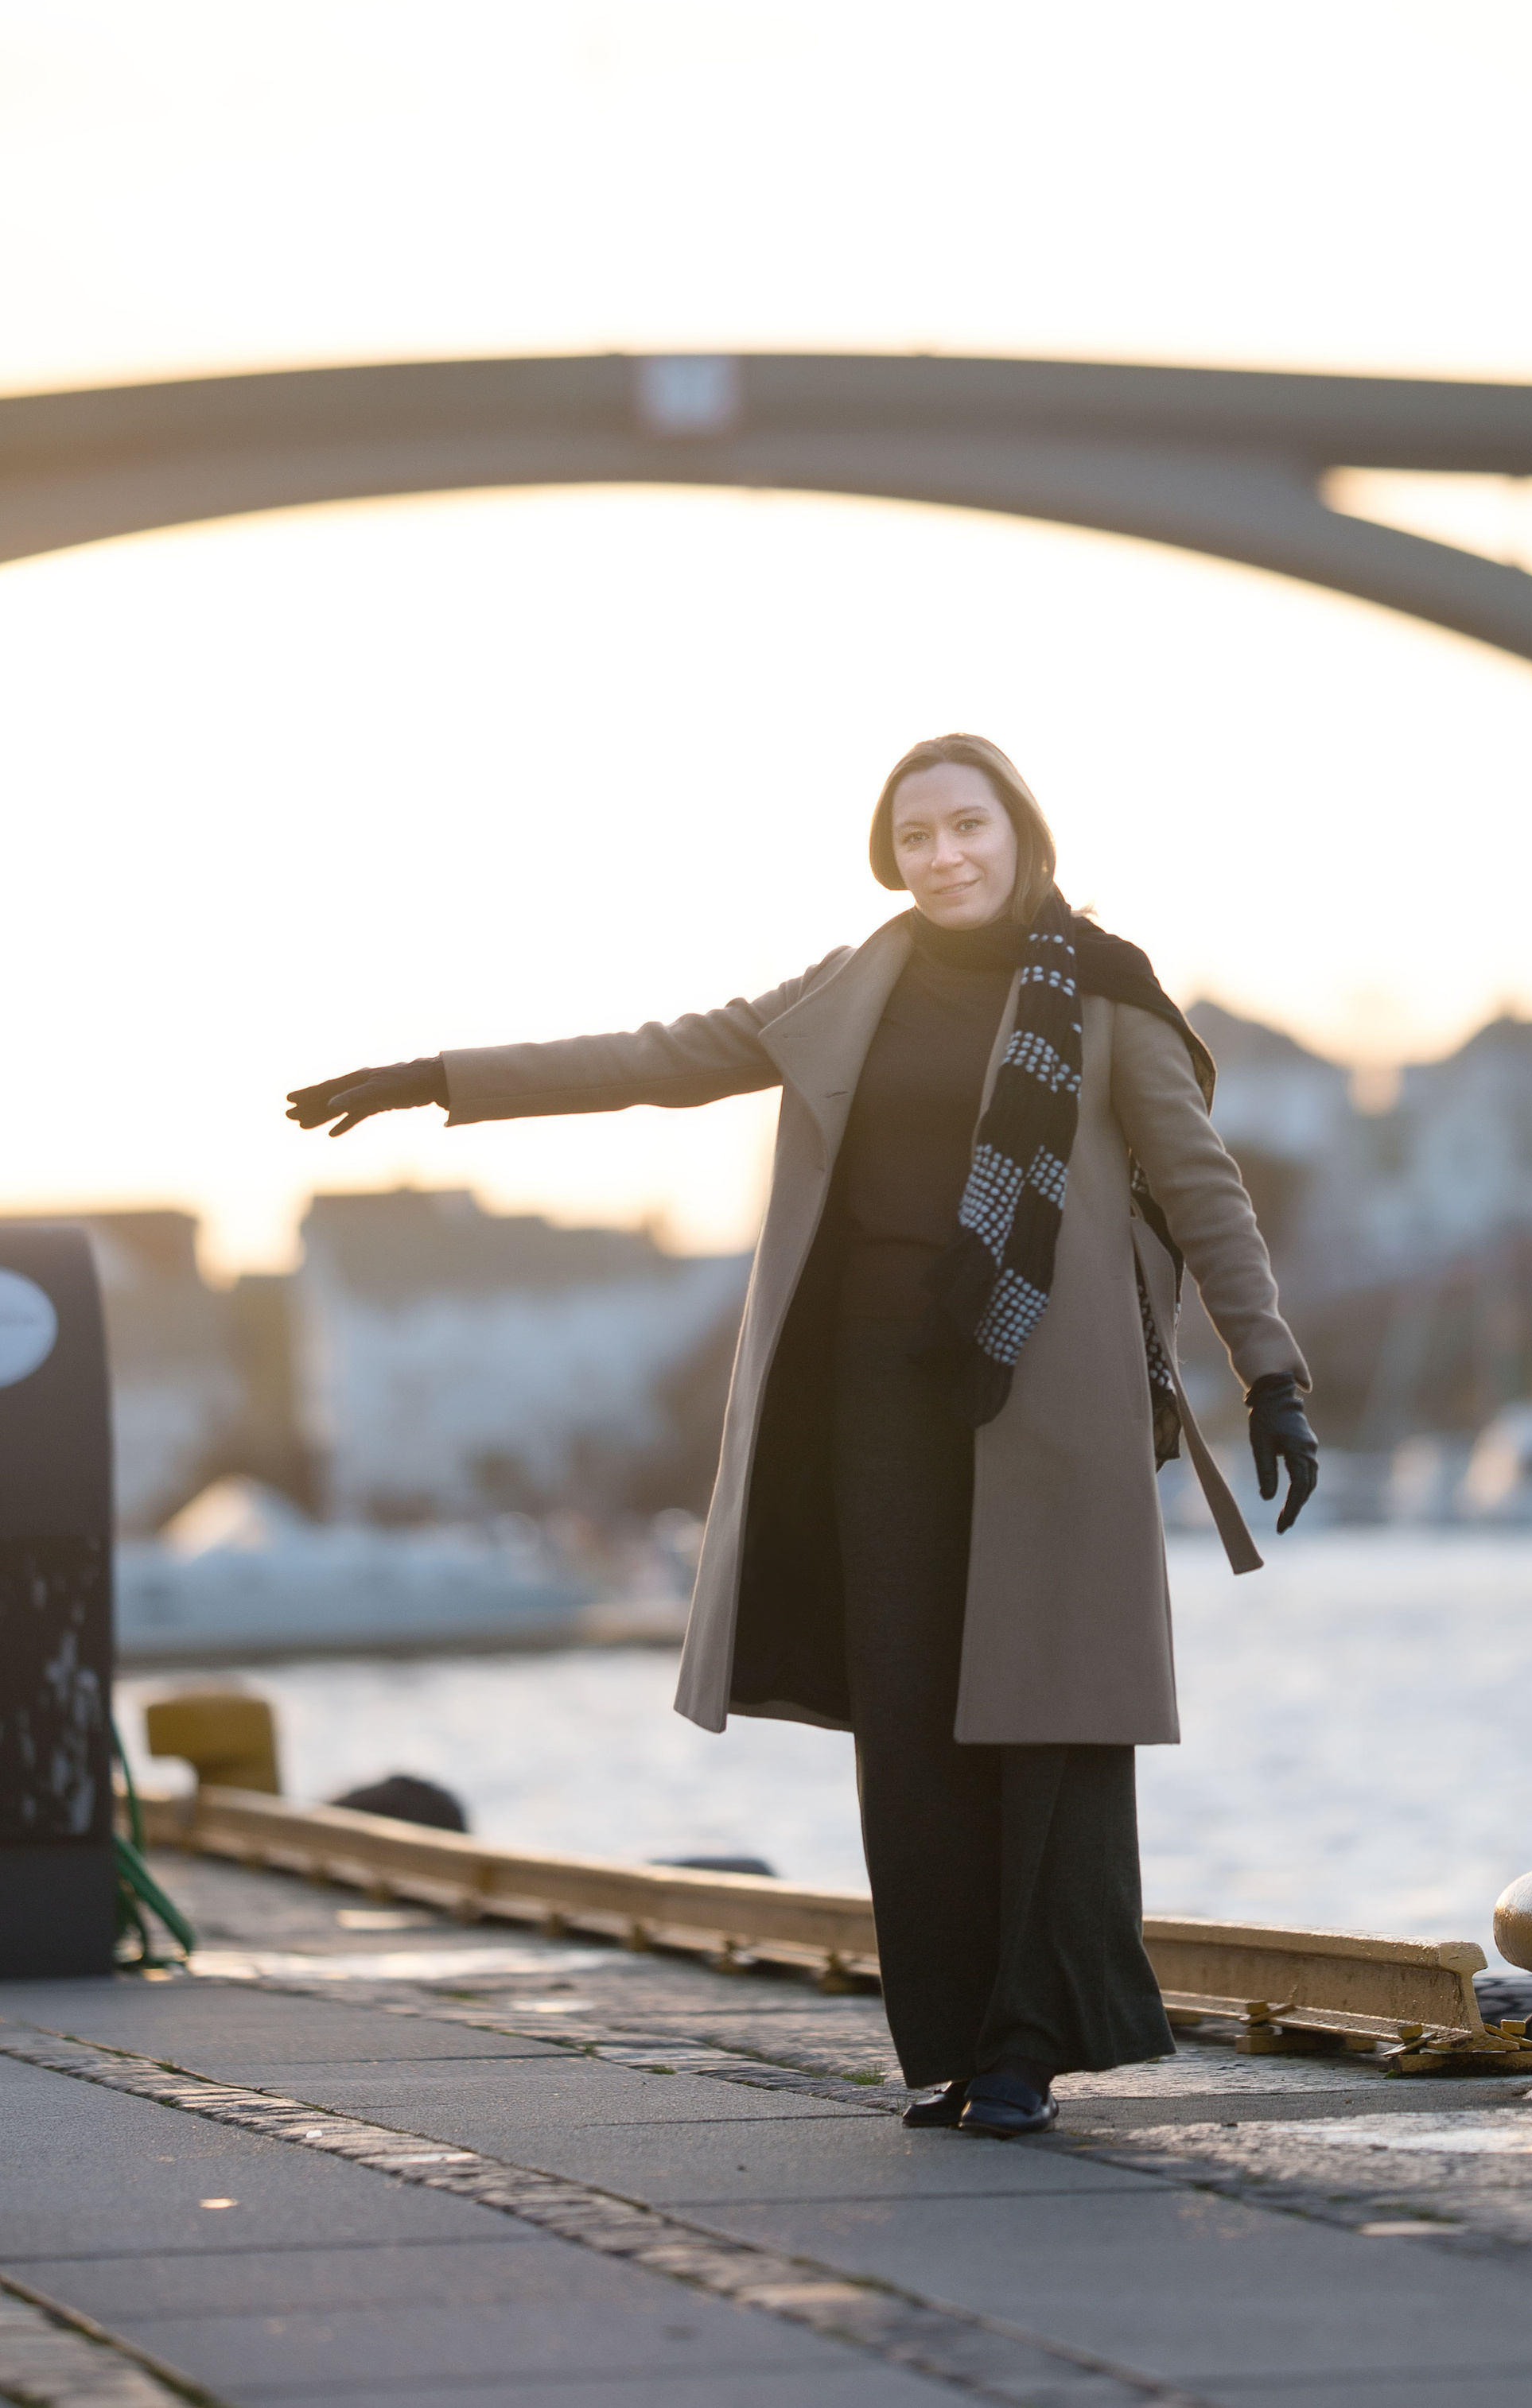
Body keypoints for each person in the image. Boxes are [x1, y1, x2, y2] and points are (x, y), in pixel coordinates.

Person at [287, 733, 1317, 2138]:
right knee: (909, 1718)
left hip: (1044, 1407)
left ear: (1023, 833)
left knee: (1049, 1713)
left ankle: (1031, 2041)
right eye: (916, 837)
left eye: (969, 826)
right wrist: (439, 1077)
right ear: (888, 857)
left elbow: (1204, 1188)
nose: (944, 855)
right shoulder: (853, 987)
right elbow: (650, 1058)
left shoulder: (1107, 992)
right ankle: (954, 2037)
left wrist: (1272, 1374)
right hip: (872, 1402)